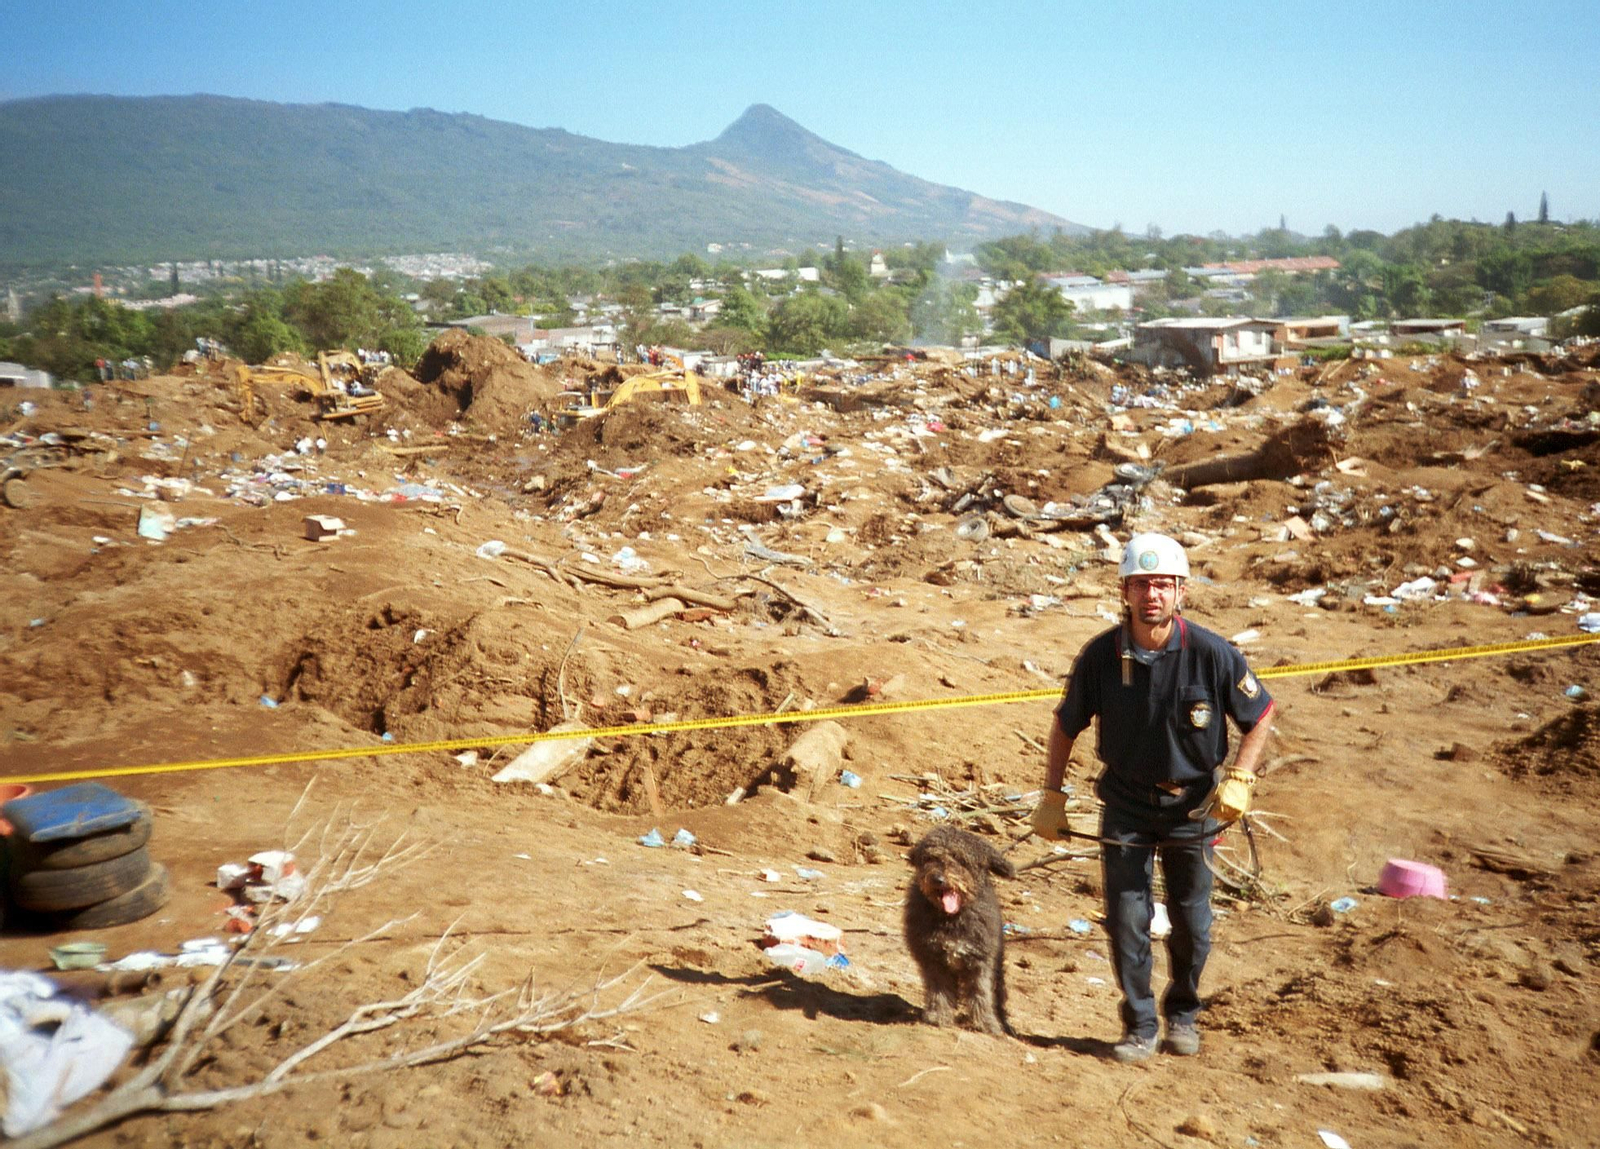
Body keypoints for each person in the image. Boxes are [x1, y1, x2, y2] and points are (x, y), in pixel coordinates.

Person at [1031, 532, 1274, 1063]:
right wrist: (1053, 794)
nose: (1152, 595)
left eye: (1162, 584)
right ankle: (1139, 1022)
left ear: (1181, 592)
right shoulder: (1100, 655)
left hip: (1194, 808)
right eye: (1141, 584)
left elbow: (1260, 716)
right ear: (1124, 591)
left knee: (1192, 918)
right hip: (1125, 803)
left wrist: (1242, 778)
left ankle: (1183, 1012)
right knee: (1126, 916)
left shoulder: (1213, 653)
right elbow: (1064, 725)